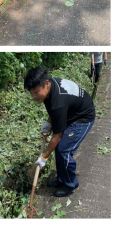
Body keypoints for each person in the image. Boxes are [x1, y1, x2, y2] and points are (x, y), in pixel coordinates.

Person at [24, 67, 95, 197]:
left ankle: (70, 184)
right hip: (72, 112)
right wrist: (48, 123)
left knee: (63, 150)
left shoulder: (58, 102)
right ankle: (61, 179)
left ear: (46, 84)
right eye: (31, 93)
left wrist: (44, 157)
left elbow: (57, 136)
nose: (33, 96)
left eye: (35, 92)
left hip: (83, 118)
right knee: (60, 149)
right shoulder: (50, 85)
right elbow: (53, 110)